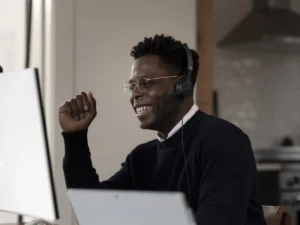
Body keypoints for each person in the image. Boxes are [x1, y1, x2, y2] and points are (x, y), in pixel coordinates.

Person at [59, 34, 266, 225]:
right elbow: (94, 210)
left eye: (146, 83)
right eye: (132, 86)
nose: (135, 94)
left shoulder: (225, 141)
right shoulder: (141, 157)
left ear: (181, 86)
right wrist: (75, 137)